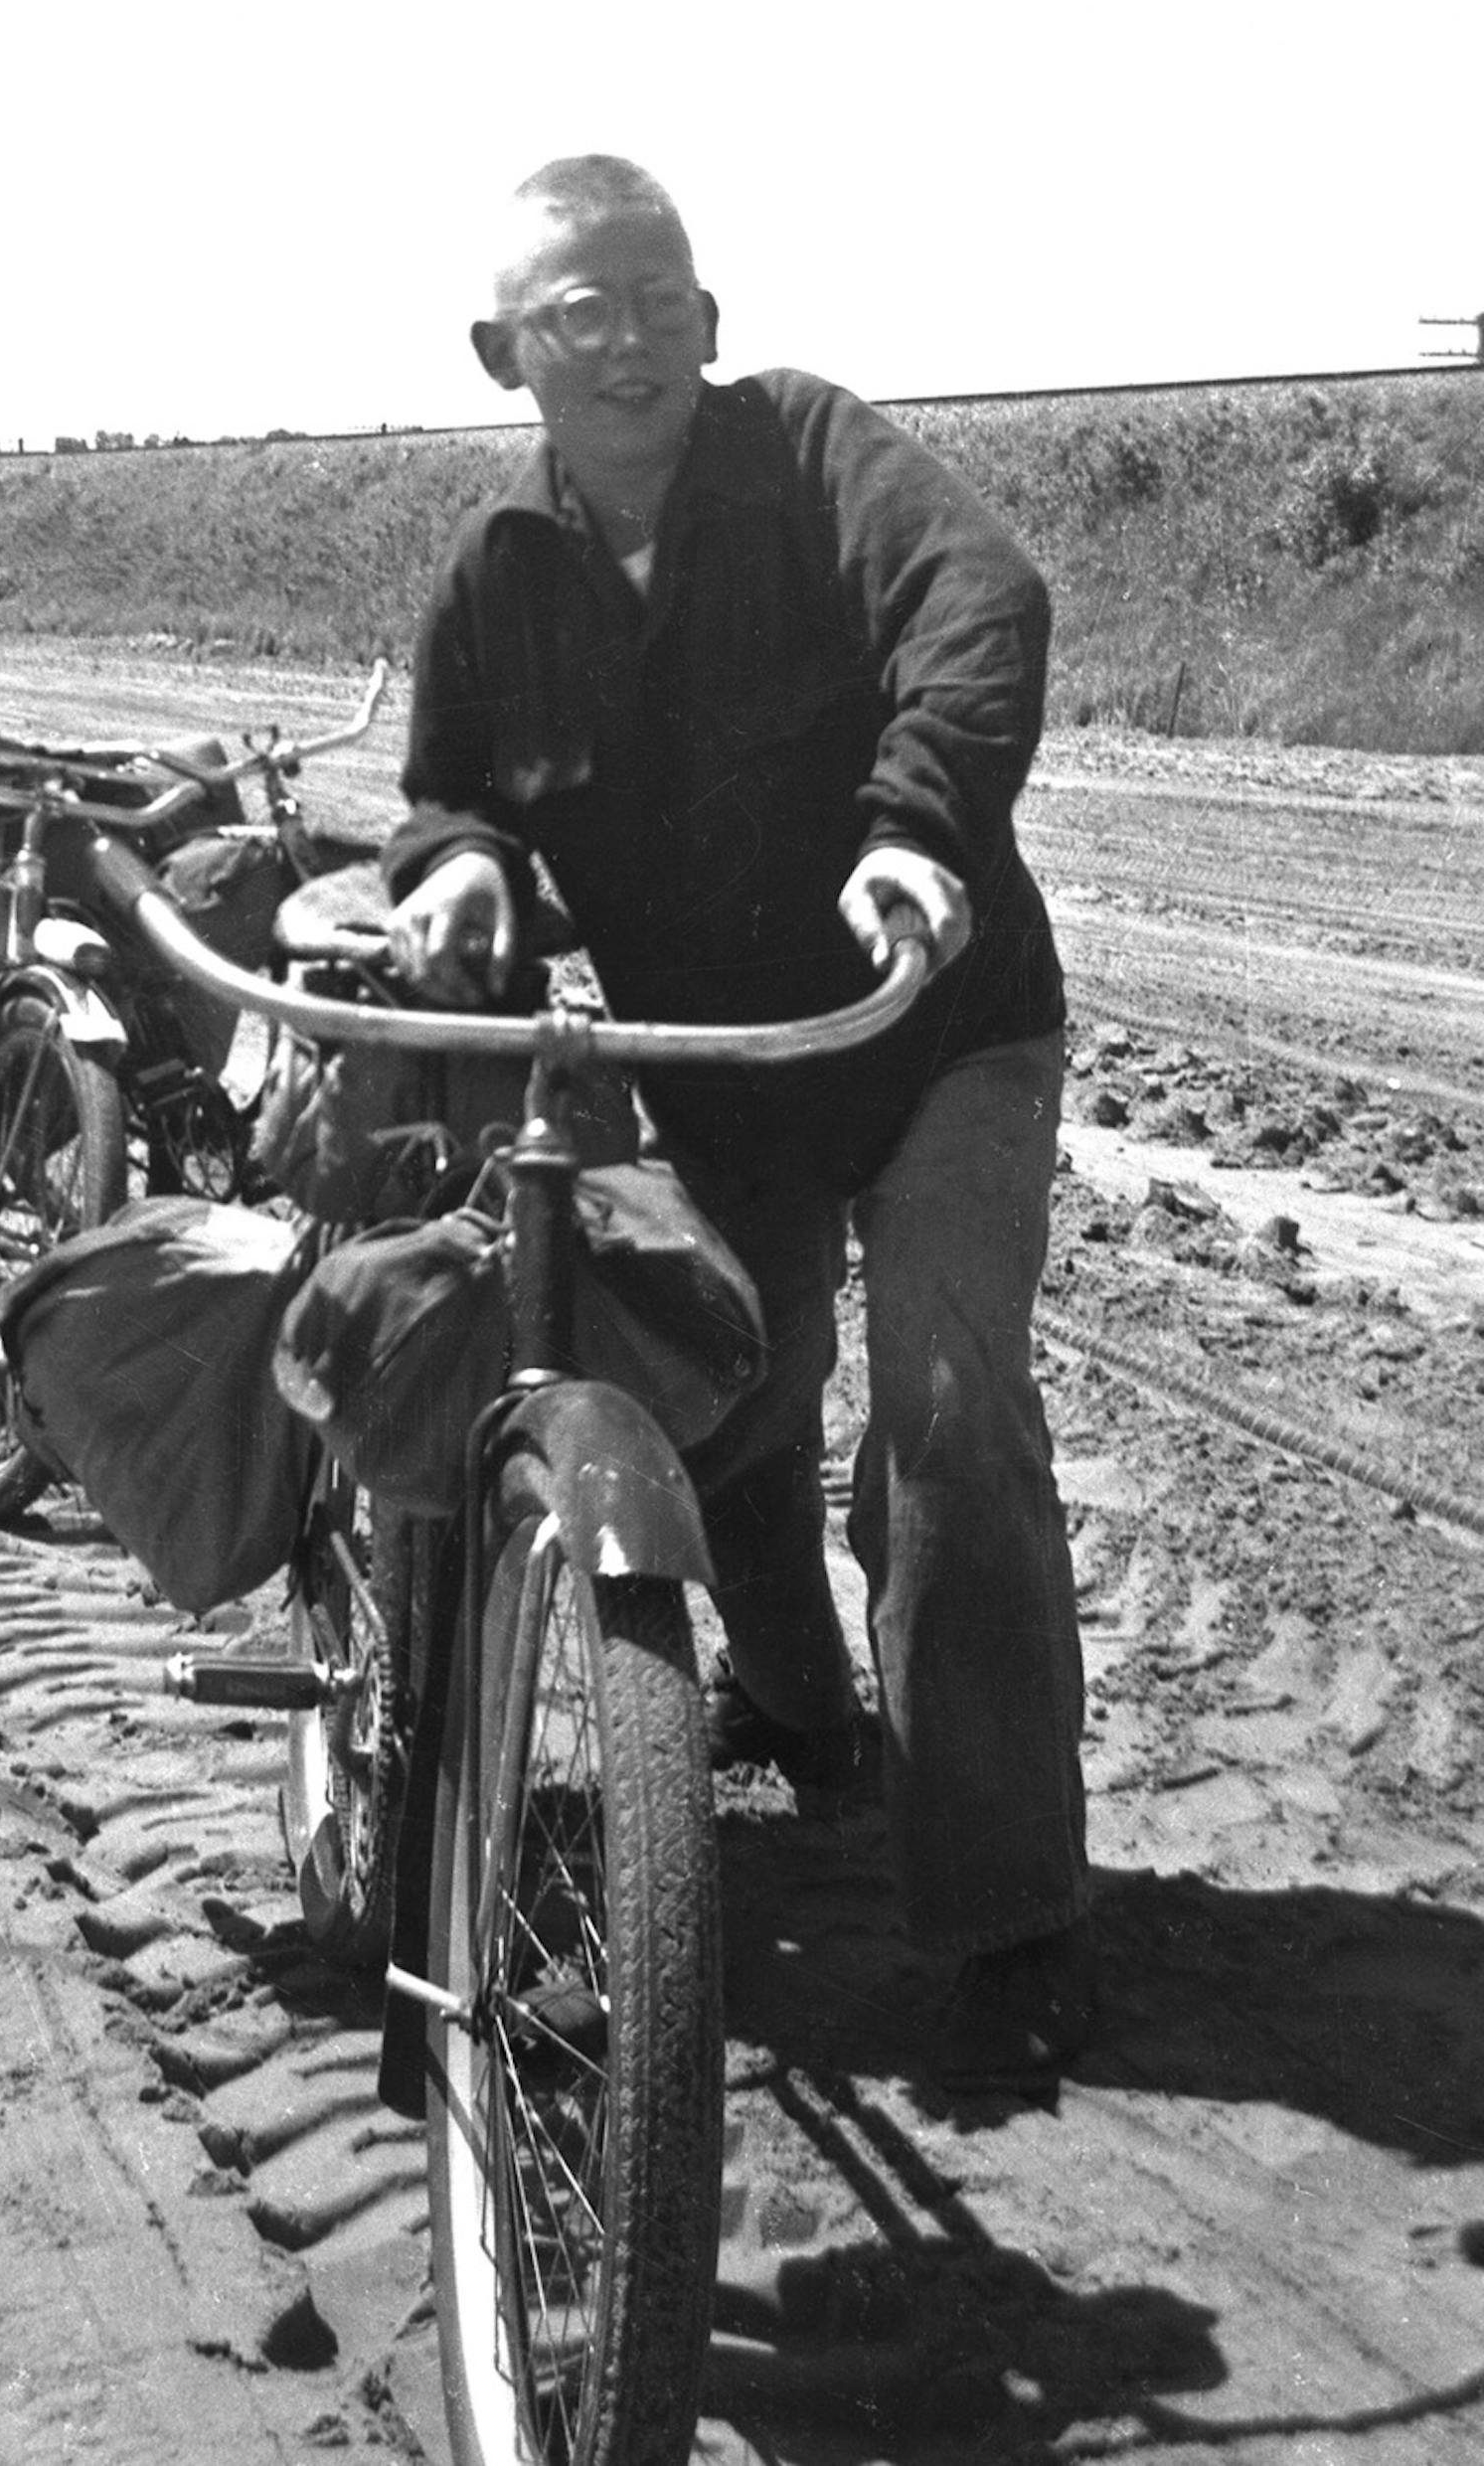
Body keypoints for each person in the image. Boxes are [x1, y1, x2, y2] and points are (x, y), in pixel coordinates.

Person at [383, 153, 1093, 2095]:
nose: (631, 340)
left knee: (947, 1427)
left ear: (709, 308)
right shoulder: (498, 574)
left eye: (660, 294)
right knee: (739, 1415)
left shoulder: (810, 449)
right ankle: (805, 1714)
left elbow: (981, 595)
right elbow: (451, 800)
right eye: (580, 310)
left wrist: (919, 827)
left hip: (934, 1019)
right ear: (504, 349)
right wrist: (459, 878)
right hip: (728, 1065)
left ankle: (1008, 1917)